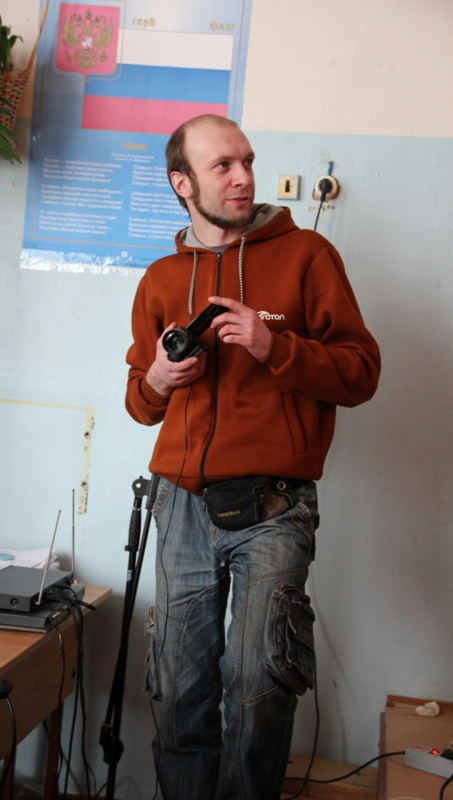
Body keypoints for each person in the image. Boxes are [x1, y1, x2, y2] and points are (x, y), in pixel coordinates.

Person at [125, 114, 380, 800]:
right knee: (178, 688)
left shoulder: (308, 256)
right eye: (222, 166)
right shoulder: (159, 277)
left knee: (258, 687)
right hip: (179, 506)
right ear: (182, 184)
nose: (242, 178)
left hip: (275, 505)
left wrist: (275, 347)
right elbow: (139, 403)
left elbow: (361, 373)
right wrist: (158, 379)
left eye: (247, 161)